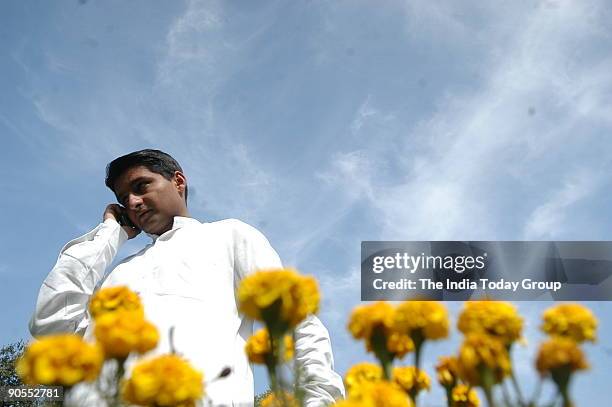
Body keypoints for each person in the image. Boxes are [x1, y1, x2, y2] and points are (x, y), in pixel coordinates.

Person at [29, 149, 345, 406]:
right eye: (124, 199)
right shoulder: (119, 272)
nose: (133, 202)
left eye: (141, 187)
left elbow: (293, 322)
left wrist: (318, 398)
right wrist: (108, 235)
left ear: (178, 181)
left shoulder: (228, 235)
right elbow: (51, 327)